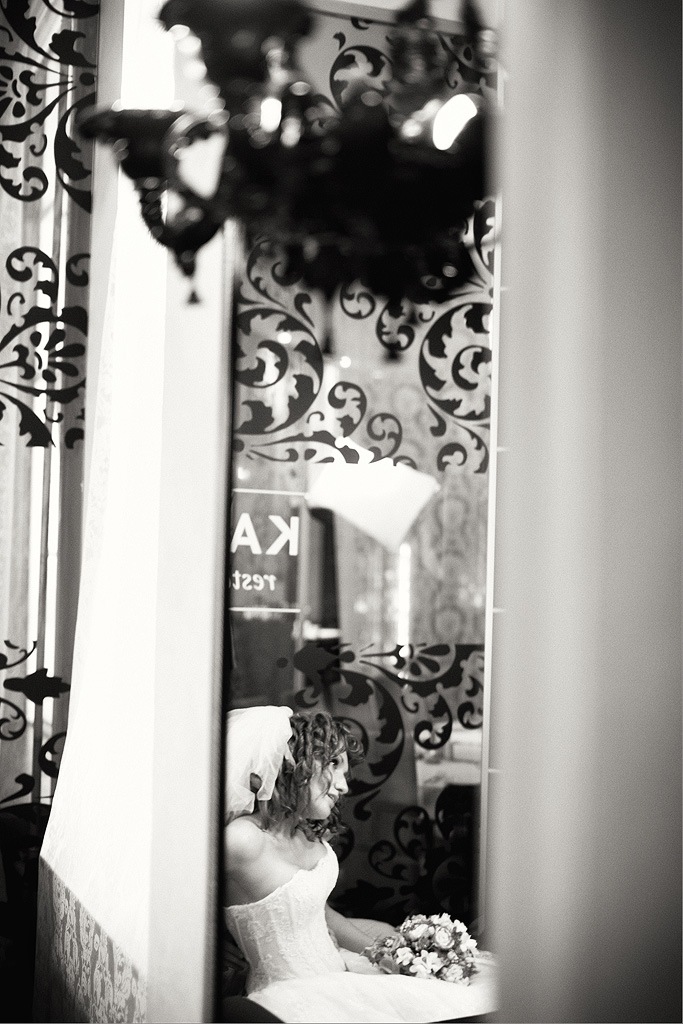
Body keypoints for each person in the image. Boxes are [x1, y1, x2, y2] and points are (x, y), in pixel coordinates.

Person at [224, 706, 496, 1024]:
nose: (343, 786)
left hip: (339, 971)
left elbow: (323, 916)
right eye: (333, 764)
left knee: (475, 989)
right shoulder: (243, 839)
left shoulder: (305, 832)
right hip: (293, 994)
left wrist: (390, 954)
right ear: (294, 763)